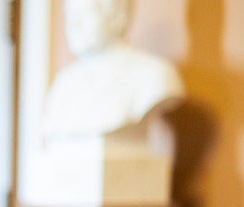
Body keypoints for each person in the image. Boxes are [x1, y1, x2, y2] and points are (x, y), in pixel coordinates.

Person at [41, 0, 183, 141]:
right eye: (70, 15)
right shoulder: (64, 84)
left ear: (118, 17)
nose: (75, 25)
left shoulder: (155, 75)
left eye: (86, 13)